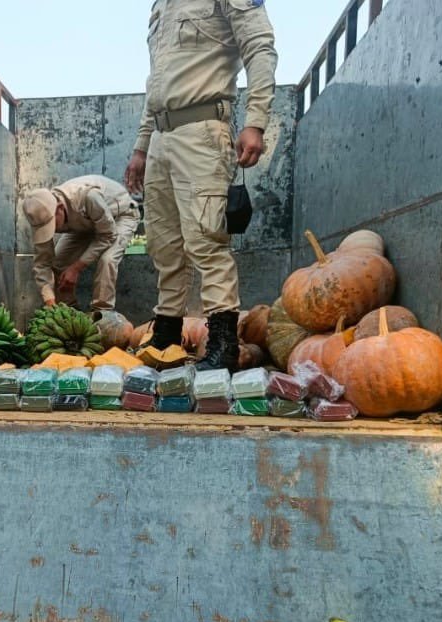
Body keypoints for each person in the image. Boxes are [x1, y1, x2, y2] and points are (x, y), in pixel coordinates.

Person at [124, 0, 277, 371]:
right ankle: (166, 337)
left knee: (206, 240)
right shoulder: (162, 6)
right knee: (164, 245)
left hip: (203, 130)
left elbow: (260, 47)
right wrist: (142, 147)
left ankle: (222, 344)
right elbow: (156, 83)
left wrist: (256, 121)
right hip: (161, 135)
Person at [21, 175, 141, 312]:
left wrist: (76, 268)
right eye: (44, 228)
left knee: (107, 260)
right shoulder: (41, 214)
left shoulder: (87, 197)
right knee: (58, 262)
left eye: (51, 224)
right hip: (85, 224)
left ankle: (102, 314)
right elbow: (42, 263)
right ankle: (67, 311)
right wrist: (50, 301)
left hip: (119, 217)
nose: (51, 230)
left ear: (59, 207)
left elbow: (108, 235)